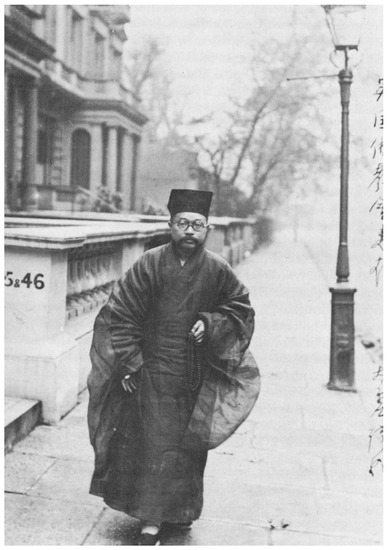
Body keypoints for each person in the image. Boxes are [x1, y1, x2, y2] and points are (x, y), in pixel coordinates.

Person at [87, 189, 260, 545]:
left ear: (208, 228)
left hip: (194, 374)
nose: (189, 231)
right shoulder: (149, 263)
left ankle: (179, 513)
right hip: (150, 369)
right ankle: (151, 518)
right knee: (152, 444)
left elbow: (241, 309)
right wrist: (132, 362)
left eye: (197, 225)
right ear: (169, 225)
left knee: (187, 446)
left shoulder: (217, 268)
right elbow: (119, 313)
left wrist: (211, 323)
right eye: (182, 223)